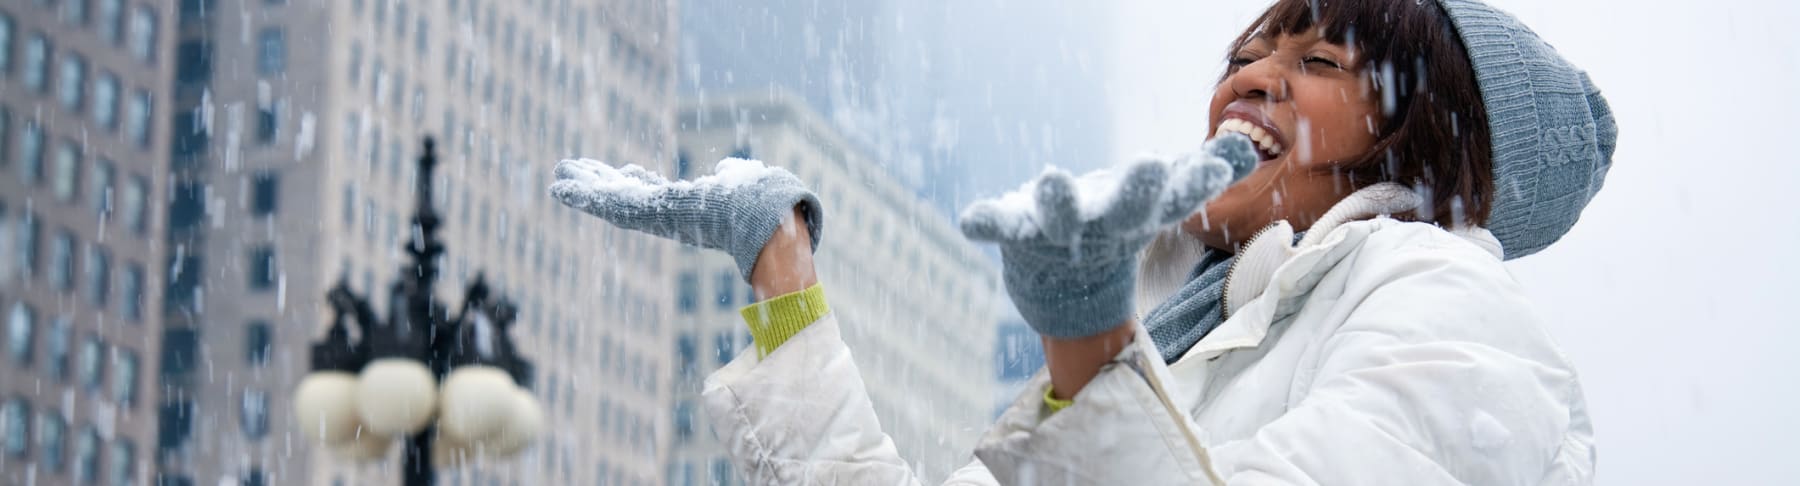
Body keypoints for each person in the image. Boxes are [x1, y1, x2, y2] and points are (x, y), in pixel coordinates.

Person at [550, 0, 1614, 483]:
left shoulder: (1447, 305)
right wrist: (778, 261)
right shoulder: (1199, 336)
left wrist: (1090, 346)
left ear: (1417, 143)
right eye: (1251, 50)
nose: (1252, 75)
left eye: (1321, 61)